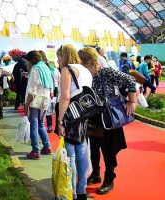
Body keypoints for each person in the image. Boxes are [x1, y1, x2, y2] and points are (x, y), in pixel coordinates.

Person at [78, 47, 136, 195]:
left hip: (108, 118)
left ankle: (109, 178)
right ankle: (95, 174)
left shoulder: (106, 72)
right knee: (93, 148)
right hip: (93, 117)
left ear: (88, 62)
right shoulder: (85, 76)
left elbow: (130, 79)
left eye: (80, 61)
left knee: (108, 150)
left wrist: (131, 101)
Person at [57, 45, 92, 200]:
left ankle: (70, 193)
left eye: (59, 57)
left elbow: (65, 97)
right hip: (84, 116)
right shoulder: (84, 70)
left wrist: (60, 121)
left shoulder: (67, 70)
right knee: (82, 154)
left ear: (64, 56)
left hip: (70, 117)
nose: (57, 60)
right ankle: (82, 190)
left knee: (70, 156)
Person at [24, 50, 53, 160]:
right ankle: (47, 147)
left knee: (34, 125)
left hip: (36, 101)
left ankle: (35, 151)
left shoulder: (35, 69)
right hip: (45, 100)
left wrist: (26, 104)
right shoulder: (45, 67)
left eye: (28, 61)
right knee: (41, 124)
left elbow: (32, 90)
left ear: (31, 60)